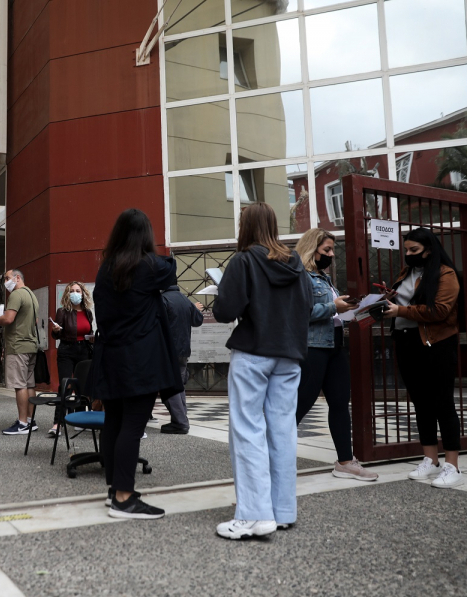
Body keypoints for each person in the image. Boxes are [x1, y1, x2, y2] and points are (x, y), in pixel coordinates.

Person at [212, 203, 312, 540]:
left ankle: (254, 515)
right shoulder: (296, 262)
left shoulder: (243, 260)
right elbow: (309, 306)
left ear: (247, 225)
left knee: (247, 430)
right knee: (282, 431)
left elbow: (225, 311)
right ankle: (282, 511)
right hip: (290, 355)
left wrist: (225, 288)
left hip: (254, 352)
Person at [91, 208, 183, 520]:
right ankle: (124, 498)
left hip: (111, 358)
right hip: (140, 361)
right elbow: (170, 268)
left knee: (114, 422)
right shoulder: (146, 267)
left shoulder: (105, 270)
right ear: (144, 237)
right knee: (133, 425)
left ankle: (114, 489)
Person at [382, 227, 463, 488]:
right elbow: (403, 305)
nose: (409, 254)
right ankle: (431, 460)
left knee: (442, 403)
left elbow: (439, 310)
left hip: (436, 343)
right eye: (406, 250)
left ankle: (453, 466)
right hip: (407, 343)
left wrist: (400, 310)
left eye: (414, 250)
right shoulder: (407, 273)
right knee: (421, 403)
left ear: (429, 250)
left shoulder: (445, 274)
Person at [294, 228, 378, 482]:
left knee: (340, 404)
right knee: (298, 406)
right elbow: (298, 313)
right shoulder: (299, 276)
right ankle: (268, 457)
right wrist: (334, 306)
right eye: (326, 250)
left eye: (332, 250)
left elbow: (333, 313)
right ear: (312, 249)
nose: (331, 254)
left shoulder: (324, 277)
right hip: (313, 348)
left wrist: (357, 309)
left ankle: (345, 462)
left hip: (334, 346)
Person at [0, 269, 40, 435]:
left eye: (7, 278)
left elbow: (8, 319)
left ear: (18, 278)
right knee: (30, 384)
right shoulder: (32, 295)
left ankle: (22, 423)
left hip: (18, 345)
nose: (6, 282)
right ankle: (31, 421)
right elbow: (35, 320)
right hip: (31, 345)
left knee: (19, 385)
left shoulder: (16, 295)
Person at [49, 281, 94, 437]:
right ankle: (58, 423)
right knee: (66, 385)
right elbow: (56, 334)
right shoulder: (62, 312)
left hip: (84, 350)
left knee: (82, 387)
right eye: (72, 291)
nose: (75, 293)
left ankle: (80, 420)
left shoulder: (88, 312)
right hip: (67, 350)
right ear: (68, 294)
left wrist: (92, 338)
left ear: (83, 294)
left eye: (78, 290)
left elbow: (89, 330)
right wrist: (55, 330)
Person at [159, 279, 204, 434]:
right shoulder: (184, 299)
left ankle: (180, 422)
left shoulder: (163, 299)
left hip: (168, 351)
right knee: (179, 385)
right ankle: (180, 419)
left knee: (170, 387)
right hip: (184, 350)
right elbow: (198, 320)